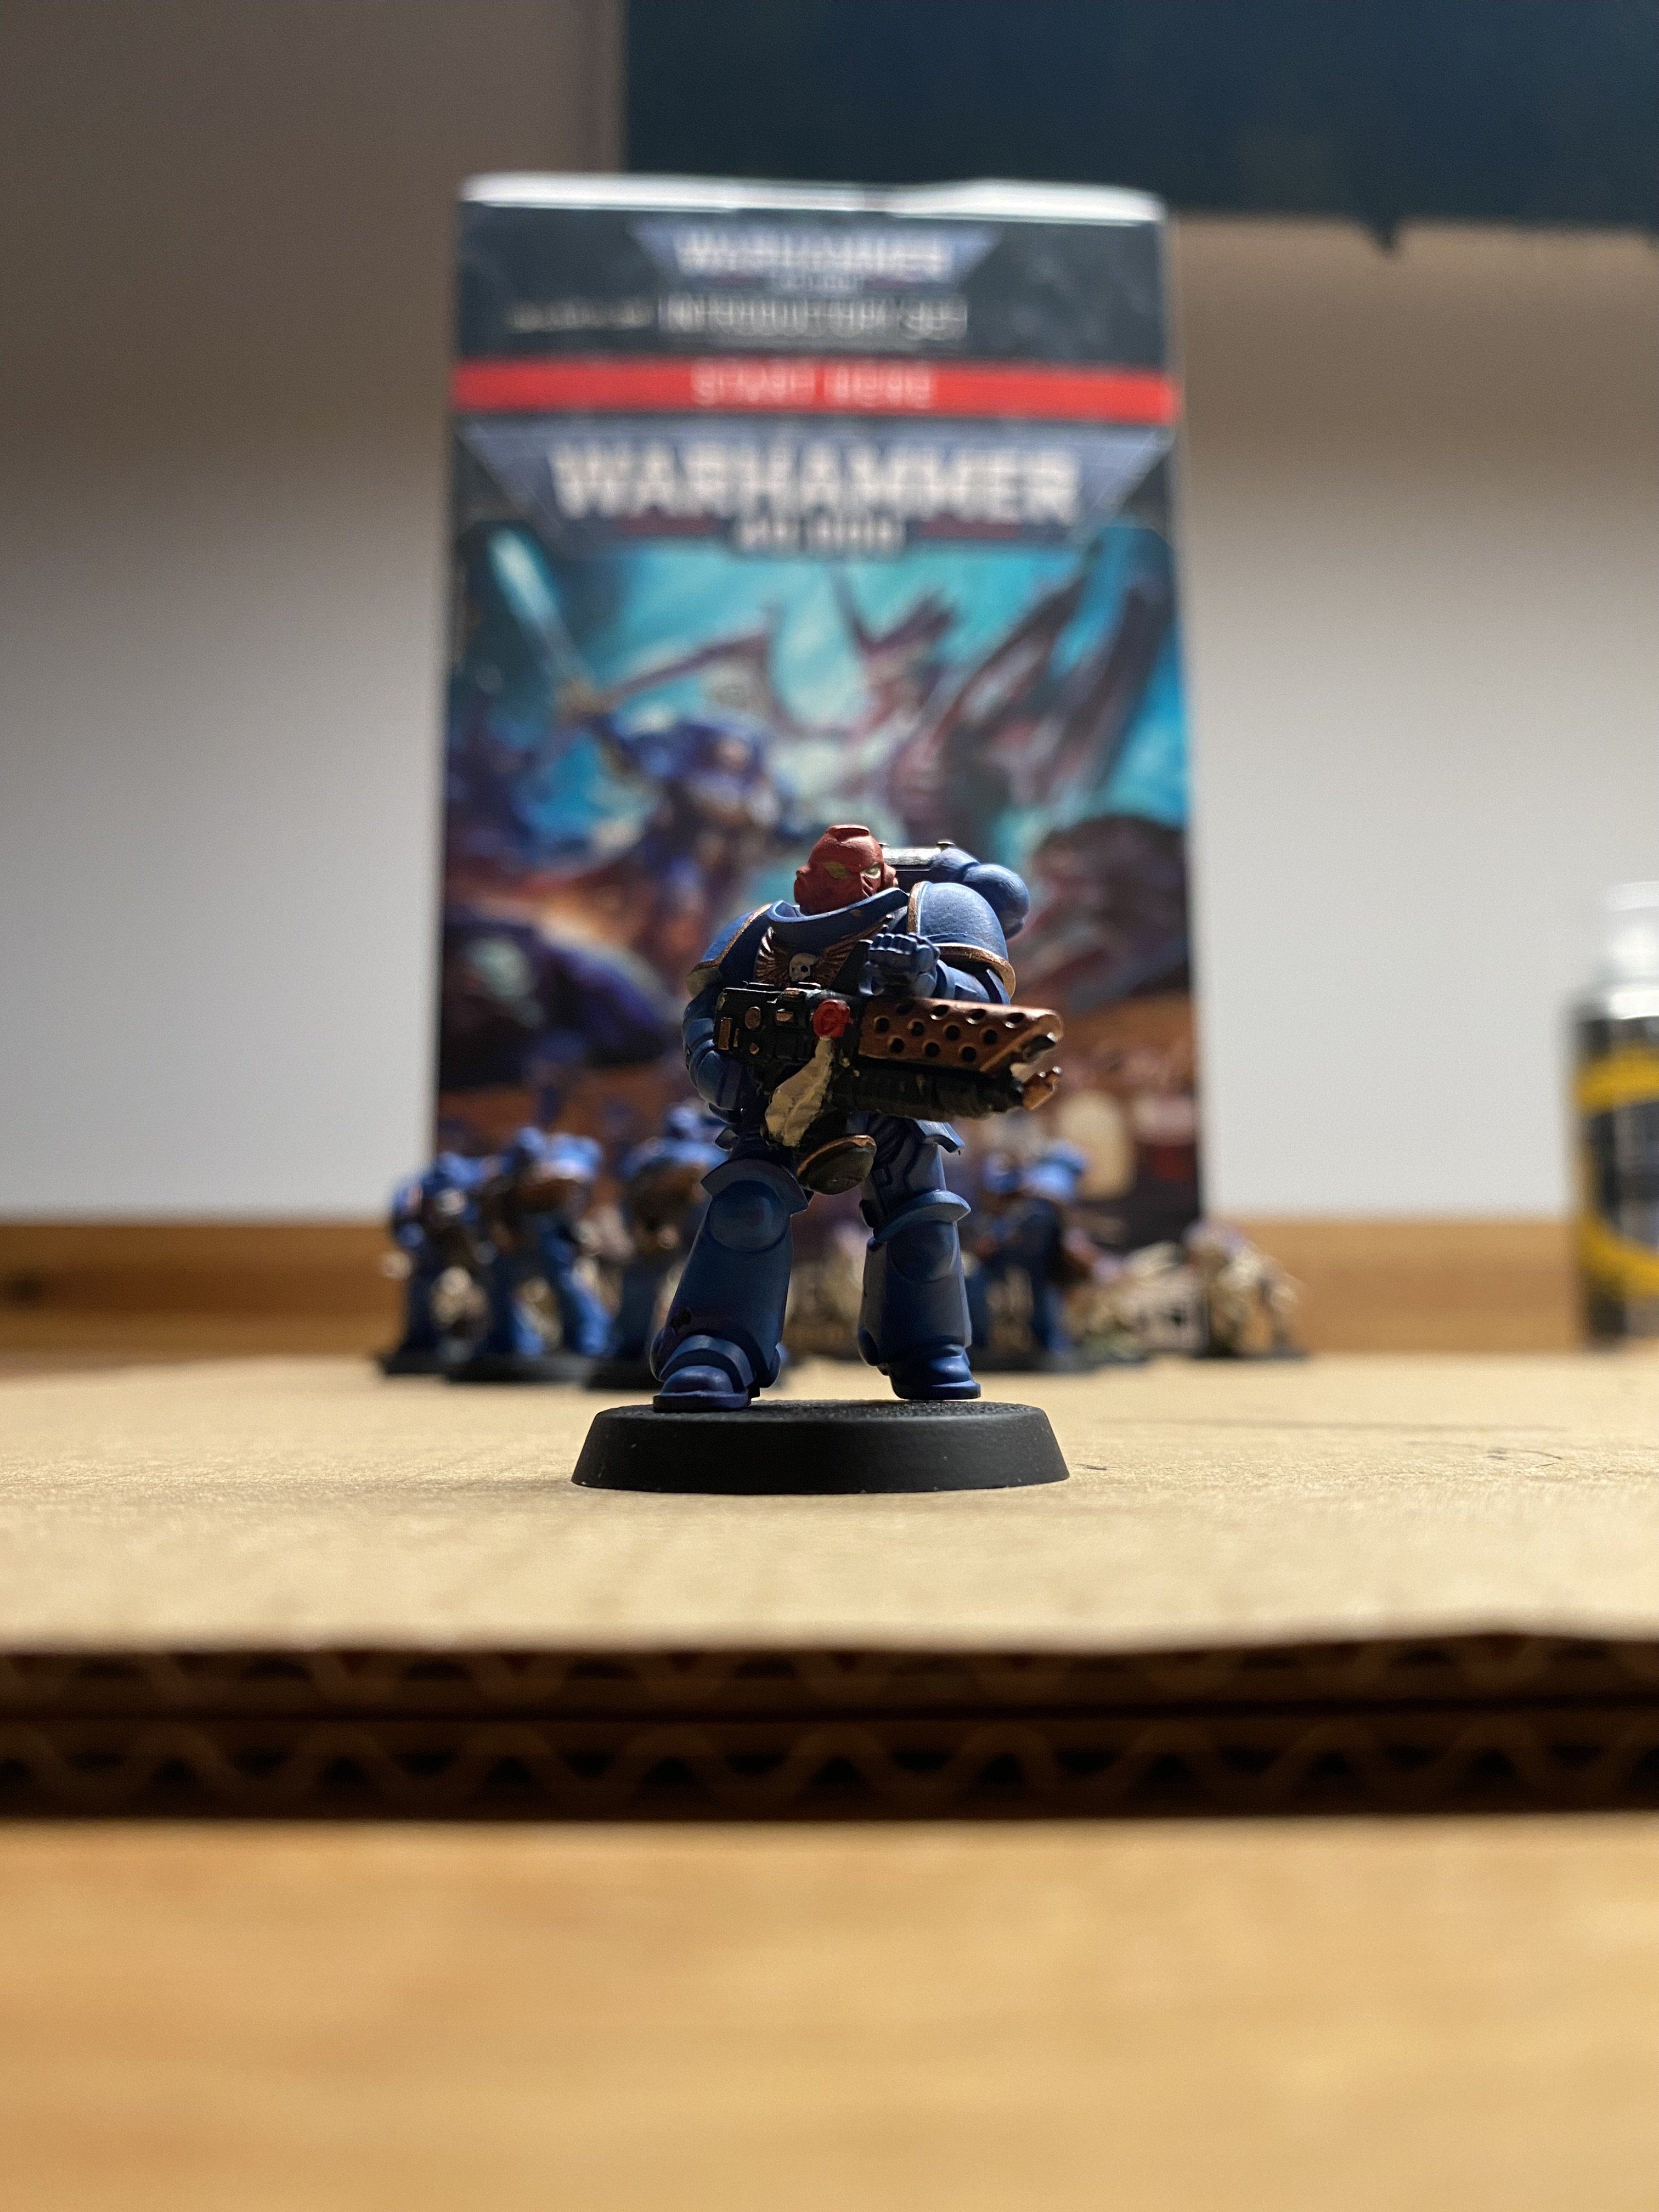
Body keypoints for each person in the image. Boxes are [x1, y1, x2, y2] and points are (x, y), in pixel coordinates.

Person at [651, 823, 1024, 1410]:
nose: (852, 883)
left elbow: (984, 1007)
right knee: (748, 1210)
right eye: (832, 872)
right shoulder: (760, 932)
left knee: (923, 1224)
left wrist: (928, 976)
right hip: (781, 1092)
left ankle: (928, 1346)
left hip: (889, 1094)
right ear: (803, 879)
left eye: (866, 872)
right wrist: (711, 1063)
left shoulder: (926, 917)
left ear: (887, 875)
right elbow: (707, 1006)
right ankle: (717, 1345)